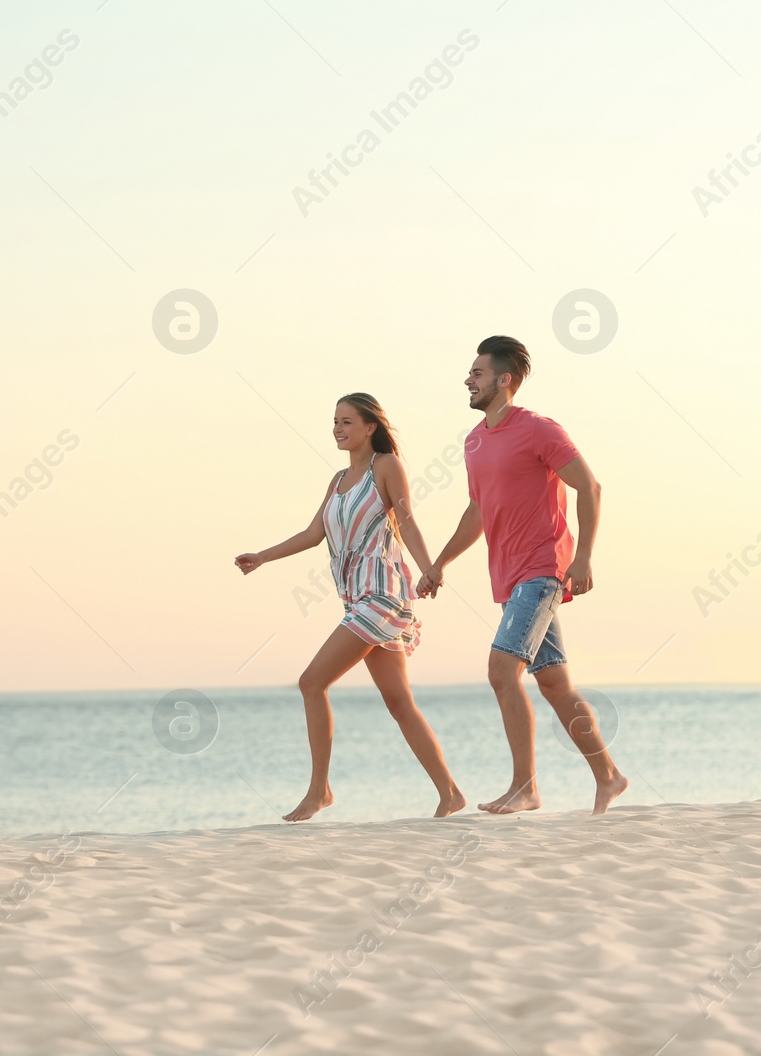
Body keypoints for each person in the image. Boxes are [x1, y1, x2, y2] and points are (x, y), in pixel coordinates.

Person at [418, 336, 628, 815]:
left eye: (477, 373)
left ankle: (524, 787)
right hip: (511, 577)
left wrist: (585, 556)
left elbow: (589, 486)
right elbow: (477, 511)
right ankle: (609, 776)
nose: (468, 380)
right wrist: (439, 564)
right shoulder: (474, 440)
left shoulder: (538, 430)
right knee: (554, 684)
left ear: (503, 379)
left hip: (543, 568)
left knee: (501, 669)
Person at [235, 393, 465, 821]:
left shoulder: (385, 467)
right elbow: (312, 534)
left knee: (311, 683)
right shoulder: (339, 479)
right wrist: (263, 556)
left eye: (346, 421)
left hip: (382, 596)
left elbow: (407, 519)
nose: (338, 429)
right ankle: (450, 793)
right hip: (356, 599)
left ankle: (319, 790)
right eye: (334, 422)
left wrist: (429, 567)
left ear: (369, 426)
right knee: (398, 701)